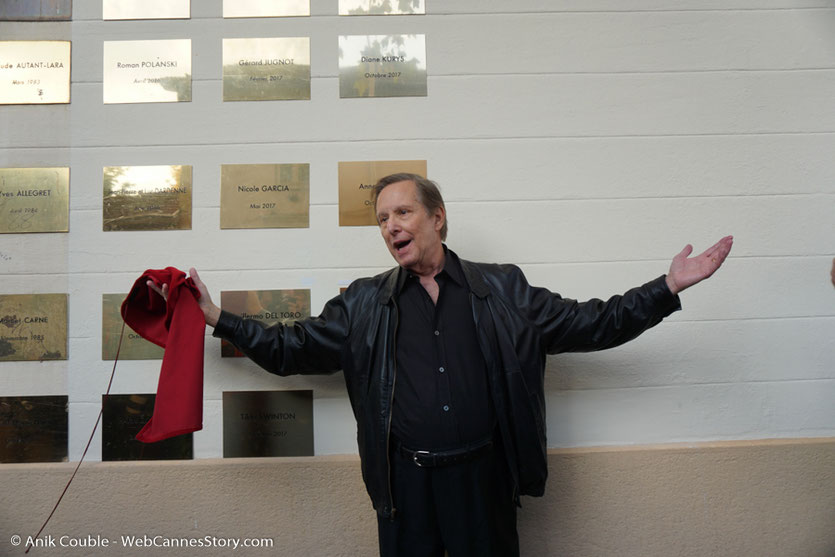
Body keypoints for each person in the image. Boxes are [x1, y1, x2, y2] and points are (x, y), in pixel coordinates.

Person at [148, 173, 733, 556]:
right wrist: (219, 317)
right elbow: (291, 348)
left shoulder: (504, 291)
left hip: (484, 480)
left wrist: (665, 288)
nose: (390, 227)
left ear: (437, 217)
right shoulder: (363, 303)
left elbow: (593, 322)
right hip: (405, 488)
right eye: (381, 219)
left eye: (402, 213)